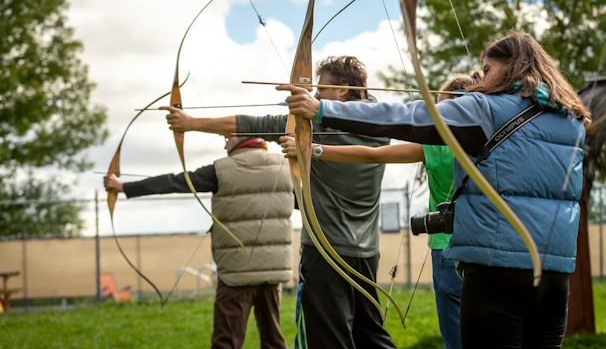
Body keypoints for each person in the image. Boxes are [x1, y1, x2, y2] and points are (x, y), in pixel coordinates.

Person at [278, 31, 590, 348]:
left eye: (487, 70)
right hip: (554, 275)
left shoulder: (484, 109)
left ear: (508, 68)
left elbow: (406, 115)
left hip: (497, 272)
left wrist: (323, 109)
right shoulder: (570, 117)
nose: (481, 79)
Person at [162, 56, 396, 349]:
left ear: (343, 90)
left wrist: (190, 122)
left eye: (320, 89)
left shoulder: (317, 129)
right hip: (366, 252)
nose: (314, 96)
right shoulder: (383, 123)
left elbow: (254, 124)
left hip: (326, 253)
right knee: (371, 335)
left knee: (330, 339)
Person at [280, 74, 478, 349]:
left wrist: (313, 149)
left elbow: (373, 155)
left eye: (441, 108)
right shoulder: (494, 141)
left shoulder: (440, 145)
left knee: (456, 339)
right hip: (487, 250)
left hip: (447, 249)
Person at [104, 136, 293, 349]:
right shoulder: (285, 167)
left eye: (228, 138)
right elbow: (303, 203)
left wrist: (123, 187)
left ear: (242, 137)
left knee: (226, 342)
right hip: (273, 273)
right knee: (273, 341)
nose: (225, 144)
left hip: (236, 274)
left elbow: (174, 182)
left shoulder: (222, 169)